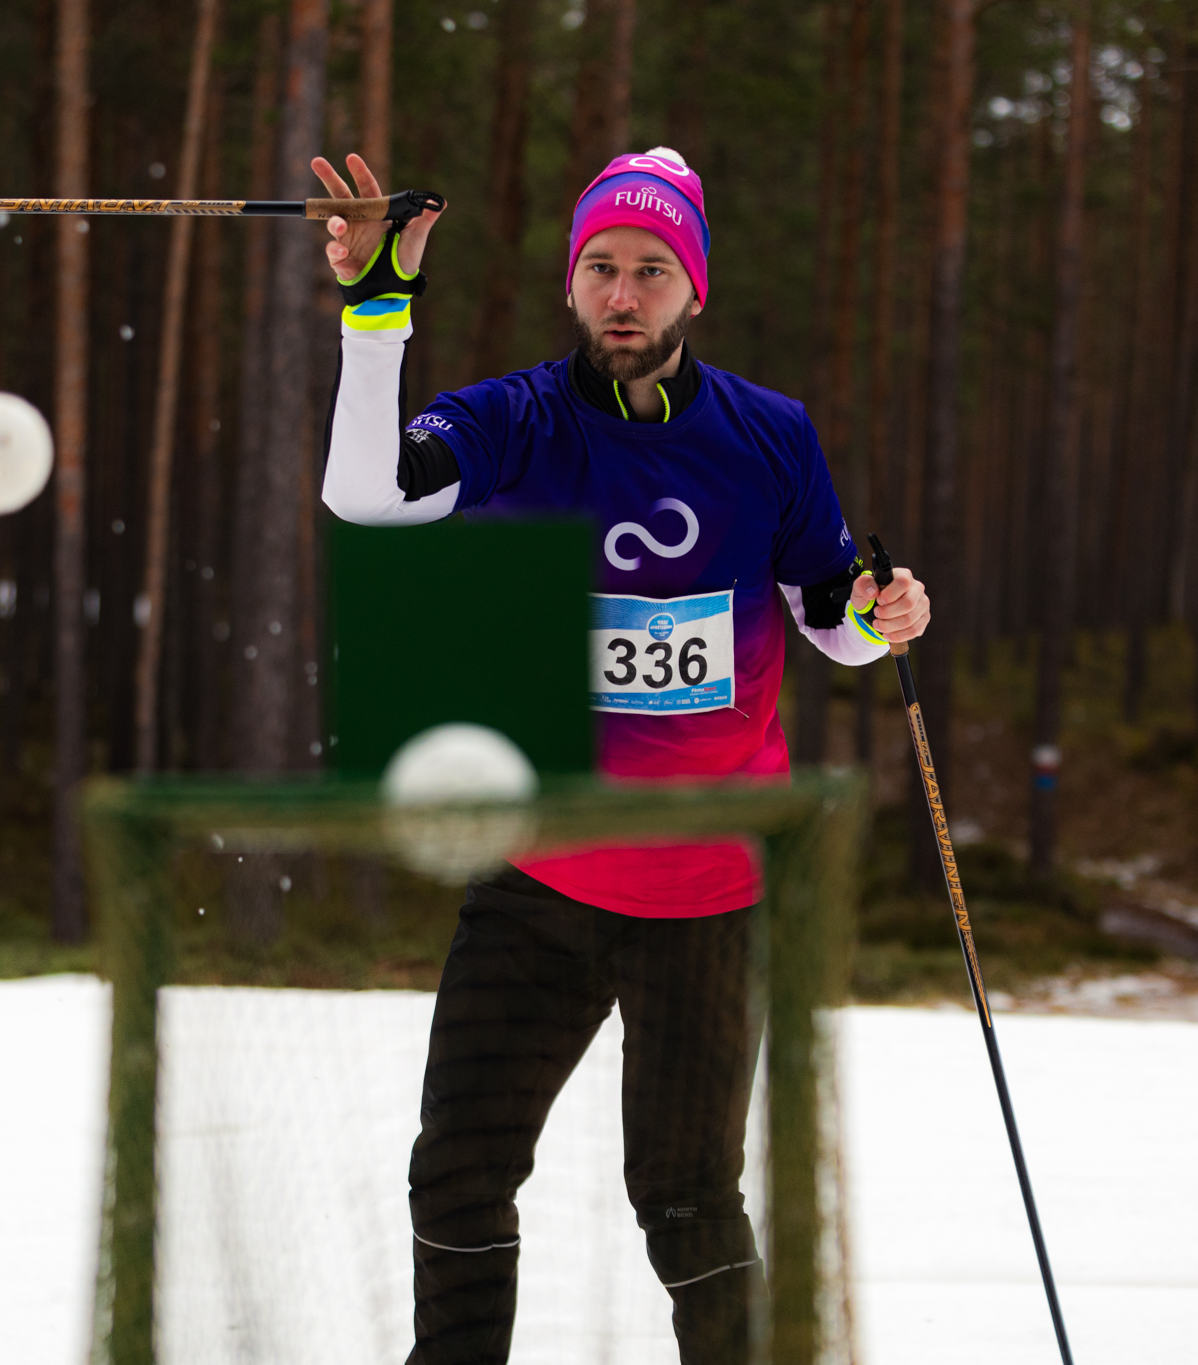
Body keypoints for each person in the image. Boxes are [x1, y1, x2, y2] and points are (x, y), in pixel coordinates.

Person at [316, 147, 932, 1364]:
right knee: (459, 1171)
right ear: (570, 282)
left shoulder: (768, 434)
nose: (621, 291)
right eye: (599, 264)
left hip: (709, 891)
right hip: (537, 880)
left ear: (694, 286)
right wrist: (376, 312)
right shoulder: (513, 420)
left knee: (686, 1197)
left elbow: (826, 610)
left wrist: (879, 616)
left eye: (651, 268)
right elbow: (365, 497)